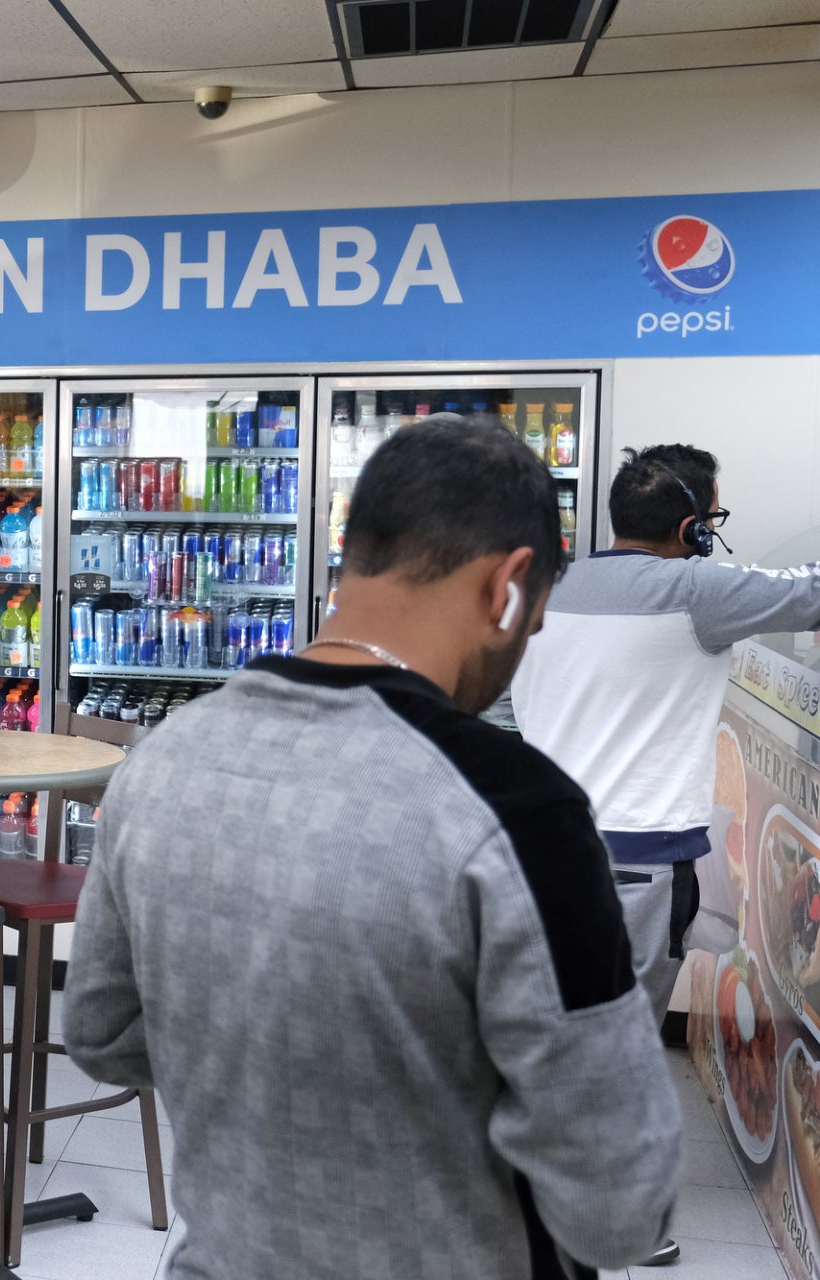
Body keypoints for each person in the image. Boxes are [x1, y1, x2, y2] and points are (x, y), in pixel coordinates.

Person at [66, 419, 681, 1279]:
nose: (528, 640)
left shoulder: (161, 756)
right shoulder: (516, 810)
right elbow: (619, 1205)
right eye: (535, 615)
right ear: (509, 586)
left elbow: (99, 1033)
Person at [514, 445, 820, 1024]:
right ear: (692, 529)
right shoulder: (696, 593)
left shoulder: (546, 586)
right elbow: (810, 591)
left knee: (549, 1025)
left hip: (540, 845)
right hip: (639, 862)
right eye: (714, 520)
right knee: (621, 1037)